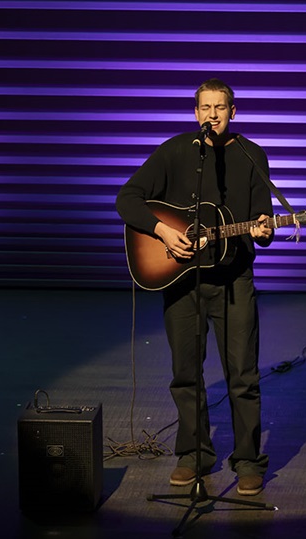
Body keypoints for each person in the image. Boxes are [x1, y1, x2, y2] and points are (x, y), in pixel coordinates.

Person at [116, 78, 274, 495]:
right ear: (195, 112)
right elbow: (127, 199)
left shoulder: (252, 155)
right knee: (185, 373)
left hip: (234, 280)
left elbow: (262, 220)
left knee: (242, 375)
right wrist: (162, 231)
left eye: (220, 108)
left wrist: (264, 230)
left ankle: (248, 461)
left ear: (233, 112)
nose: (212, 115)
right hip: (183, 280)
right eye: (205, 108)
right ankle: (194, 455)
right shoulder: (175, 151)